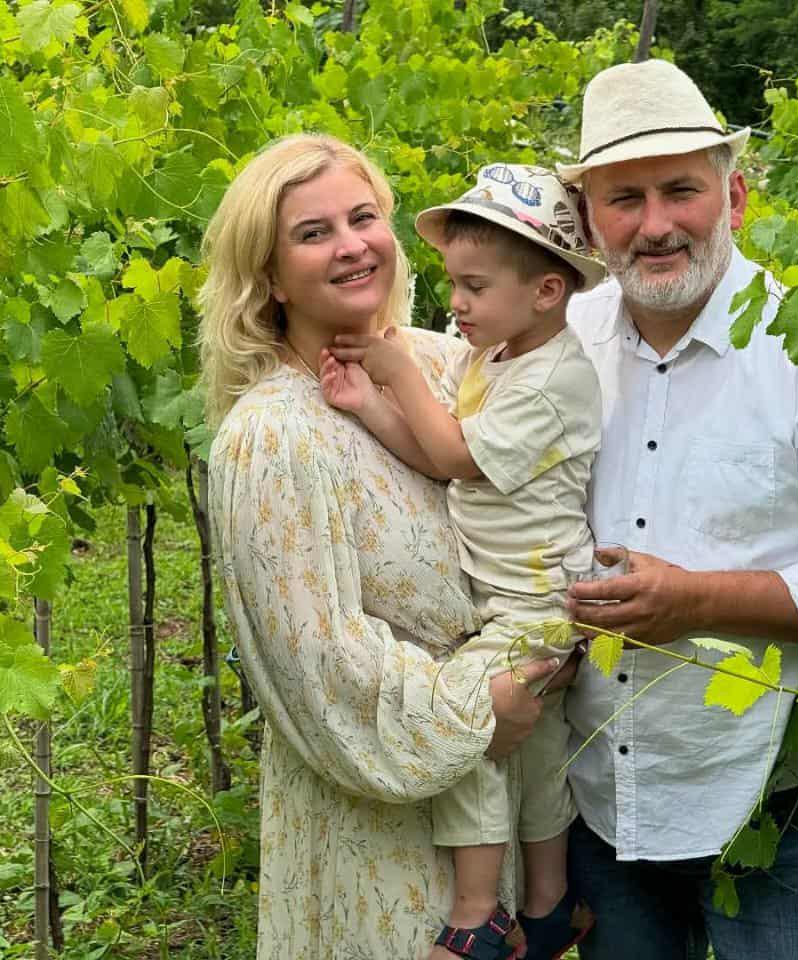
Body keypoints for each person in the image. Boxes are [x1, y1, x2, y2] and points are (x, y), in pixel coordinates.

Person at [554, 60, 798, 959]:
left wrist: (697, 601)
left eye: (681, 190)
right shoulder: (557, 348)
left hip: (774, 801)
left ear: (736, 198)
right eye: (624, 198)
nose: (656, 224)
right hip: (593, 792)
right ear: (589, 221)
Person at [199, 134, 568, 960]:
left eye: (363, 218)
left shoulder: (449, 365)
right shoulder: (272, 436)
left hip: (496, 791)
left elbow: (546, 494)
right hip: (381, 826)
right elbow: (318, 663)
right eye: (313, 232)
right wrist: (482, 710)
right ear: (269, 275)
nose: (351, 245)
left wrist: (554, 637)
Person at [322, 164, 605, 960]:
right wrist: (368, 404)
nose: (457, 304)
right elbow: (450, 460)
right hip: (515, 600)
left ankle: (478, 915)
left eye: (474, 287)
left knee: (466, 720)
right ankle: (551, 904)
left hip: (538, 603)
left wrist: (395, 371)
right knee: (539, 756)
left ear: (546, 291)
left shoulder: (554, 381)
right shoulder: (500, 355)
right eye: (452, 284)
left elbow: (450, 453)